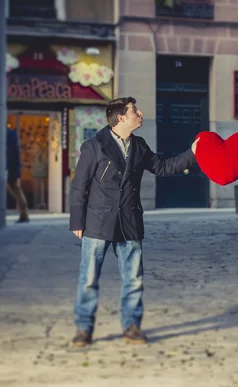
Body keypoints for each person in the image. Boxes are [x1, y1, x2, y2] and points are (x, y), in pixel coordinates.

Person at [69, 97, 199, 347]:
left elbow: (163, 167)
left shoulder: (139, 146)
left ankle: (131, 326)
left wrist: (192, 153)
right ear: (120, 117)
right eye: (134, 111)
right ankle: (83, 329)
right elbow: (79, 186)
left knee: (134, 279)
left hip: (129, 220)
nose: (140, 114)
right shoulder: (93, 146)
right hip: (97, 221)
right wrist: (77, 220)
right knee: (88, 278)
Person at [6, 127, 30, 223]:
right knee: (14, 189)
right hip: (13, 166)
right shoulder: (11, 134)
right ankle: (24, 213)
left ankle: (24, 214)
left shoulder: (8, 134)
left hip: (11, 167)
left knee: (15, 189)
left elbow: (10, 153)